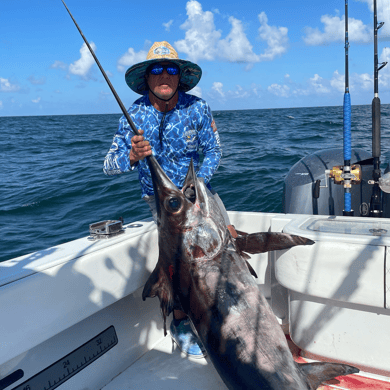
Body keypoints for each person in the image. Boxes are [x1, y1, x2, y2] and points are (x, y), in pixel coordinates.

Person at [103, 41, 236, 358]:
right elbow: (109, 164)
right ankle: (180, 322)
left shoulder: (197, 109)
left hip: (198, 194)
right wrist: (133, 157)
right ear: (147, 78)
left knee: (226, 247)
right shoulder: (133, 115)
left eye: (171, 69)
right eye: (157, 69)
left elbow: (214, 151)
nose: (164, 75)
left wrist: (198, 183)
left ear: (180, 77)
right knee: (180, 263)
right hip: (162, 204)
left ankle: (224, 307)